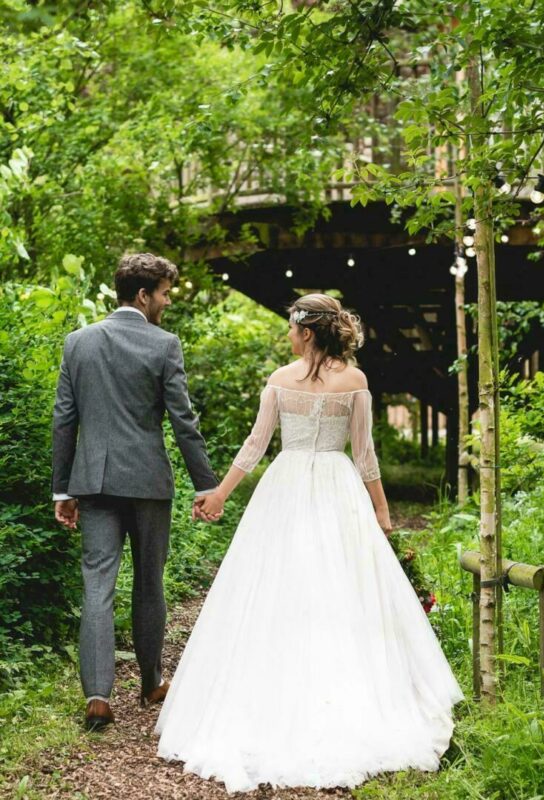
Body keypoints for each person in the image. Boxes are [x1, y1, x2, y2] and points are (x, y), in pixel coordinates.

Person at [155, 293, 464, 792]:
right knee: (341, 586)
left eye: (293, 326)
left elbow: (255, 447)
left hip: (288, 483)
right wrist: (380, 512)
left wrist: (219, 495)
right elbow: (364, 454)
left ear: (307, 332)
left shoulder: (280, 379)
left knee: (281, 585)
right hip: (338, 487)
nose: (289, 334)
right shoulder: (356, 381)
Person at [51, 253, 222, 732]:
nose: (167, 302)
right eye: (165, 293)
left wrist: (61, 489)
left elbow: (64, 420)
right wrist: (206, 483)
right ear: (144, 295)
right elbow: (183, 422)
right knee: (149, 582)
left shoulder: (78, 342)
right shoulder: (164, 344)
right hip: (147, 483)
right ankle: (150, 683)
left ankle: (99, 697)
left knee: (97, 586)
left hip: (94, 483)